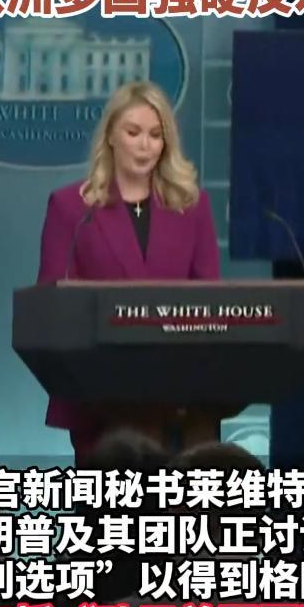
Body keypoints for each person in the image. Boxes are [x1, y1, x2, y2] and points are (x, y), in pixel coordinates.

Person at [36, 81, 220, 464]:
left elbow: (209, 302)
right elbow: (52, 304)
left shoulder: (192, 206)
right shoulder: (72, 208)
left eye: (155, 135)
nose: (144, 145)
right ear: (110, 137)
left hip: (181, 404)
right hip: (99, 403)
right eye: (133, 132)